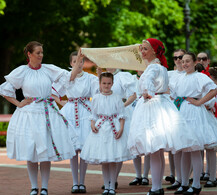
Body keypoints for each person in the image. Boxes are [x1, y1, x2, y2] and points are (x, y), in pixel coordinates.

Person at [0, 41, 81, 195]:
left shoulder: (48, 69)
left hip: (47, 113)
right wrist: (19, 103)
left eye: (42, 52)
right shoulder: (22, 71)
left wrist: (80, 58)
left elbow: (70, 76)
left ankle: (44, 187)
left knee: (45, 153)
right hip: (29, 114)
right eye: (38, 53)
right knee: (31, 152)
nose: (41, 55)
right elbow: (6, 89)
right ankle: (33, 187)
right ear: (29, 54)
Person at [128, 39, 203, 195]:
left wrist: (147, 92)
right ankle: (157, 186)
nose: (142, 51)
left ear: (154, 51)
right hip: (160, 103)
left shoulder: (153, 67)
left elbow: (148, 82)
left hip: (153, 105)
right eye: (141, 49)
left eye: (145, 49)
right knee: (157, 150)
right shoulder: (159, 67)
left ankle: (156, 187)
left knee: (155, 148)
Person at [170, 52, 217, 195]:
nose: (184, 63)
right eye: (182, 61)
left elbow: (213, 90)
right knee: (184, 149)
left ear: (194, 63)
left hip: (193, 112)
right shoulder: (179, 78)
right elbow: (173, 94)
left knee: (194, 149)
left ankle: (197, 184)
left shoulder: (199, 76)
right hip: (182, 111)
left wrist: (199, 102)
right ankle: (184, 183)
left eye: (187, 61)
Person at [52, 51, 99, 193]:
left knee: (83, 148)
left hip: (85, 110)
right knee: (73, 149)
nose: (78, 64)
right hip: (70, 111)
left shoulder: (90, 78)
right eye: (74, 62)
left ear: (83, 63)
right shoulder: (67, 77)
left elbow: (97, 94)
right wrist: (61, 101)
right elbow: (53, 92)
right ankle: (74, 182)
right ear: (71, 63)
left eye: (80, 62)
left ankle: (82, 182)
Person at [80, 72, 132, 195]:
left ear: (112, 84)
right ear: (100, 84)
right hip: (101, 129)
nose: (106, 85)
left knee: (112, 158)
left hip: (113, 128)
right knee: (104, 159)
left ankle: (112, 186)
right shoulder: (96, 97)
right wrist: (93, 124)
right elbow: (93, 114)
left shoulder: (117, 97)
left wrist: (121, 128)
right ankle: (106, 185)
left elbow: (121, 114)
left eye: (109, 83)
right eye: (104, 83)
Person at [166, 49, 186, 190]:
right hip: (172, 111)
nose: (178, 60)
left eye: (181, 57)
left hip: (188, 112)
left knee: (188, 147)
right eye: (175, 58)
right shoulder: (169, 74)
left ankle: (186, 177)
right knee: (174, 147)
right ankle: (176, 177)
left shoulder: (190, 74)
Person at [129, 70, 151, 186]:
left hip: (147, 111)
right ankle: (138, 175)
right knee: (135, 143)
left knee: (146, 143)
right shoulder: (131, 78)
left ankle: (145, 175)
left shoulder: (150, 76)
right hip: (134, 112)